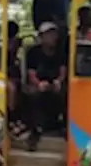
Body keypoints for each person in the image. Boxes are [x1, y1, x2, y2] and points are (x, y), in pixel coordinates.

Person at [24, 21, 66, 150]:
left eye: (54, 34)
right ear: (41, 37)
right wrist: (39, 83)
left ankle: (64, 126)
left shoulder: (60, 53)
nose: (53, 37)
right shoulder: (33, 52)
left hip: (55, 83)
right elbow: (31, 74)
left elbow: (63, 71)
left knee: (66, 94)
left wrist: (58, 81)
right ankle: (35, 130)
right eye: (49, 35)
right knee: (32, 94)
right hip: (38, 83)